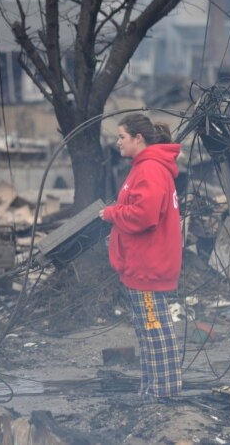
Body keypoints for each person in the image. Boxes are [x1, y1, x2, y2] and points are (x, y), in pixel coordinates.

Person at [99, 113, 183, 401]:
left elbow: (144, 216)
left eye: (122, 136)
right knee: (150, 329)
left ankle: (162, 394)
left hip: (147, 265)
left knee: (154, 329)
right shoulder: (148, 167)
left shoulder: (149, 169)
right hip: (144, 262)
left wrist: (111, 214)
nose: (118, 141)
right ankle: (153, 391)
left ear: (138, 138)